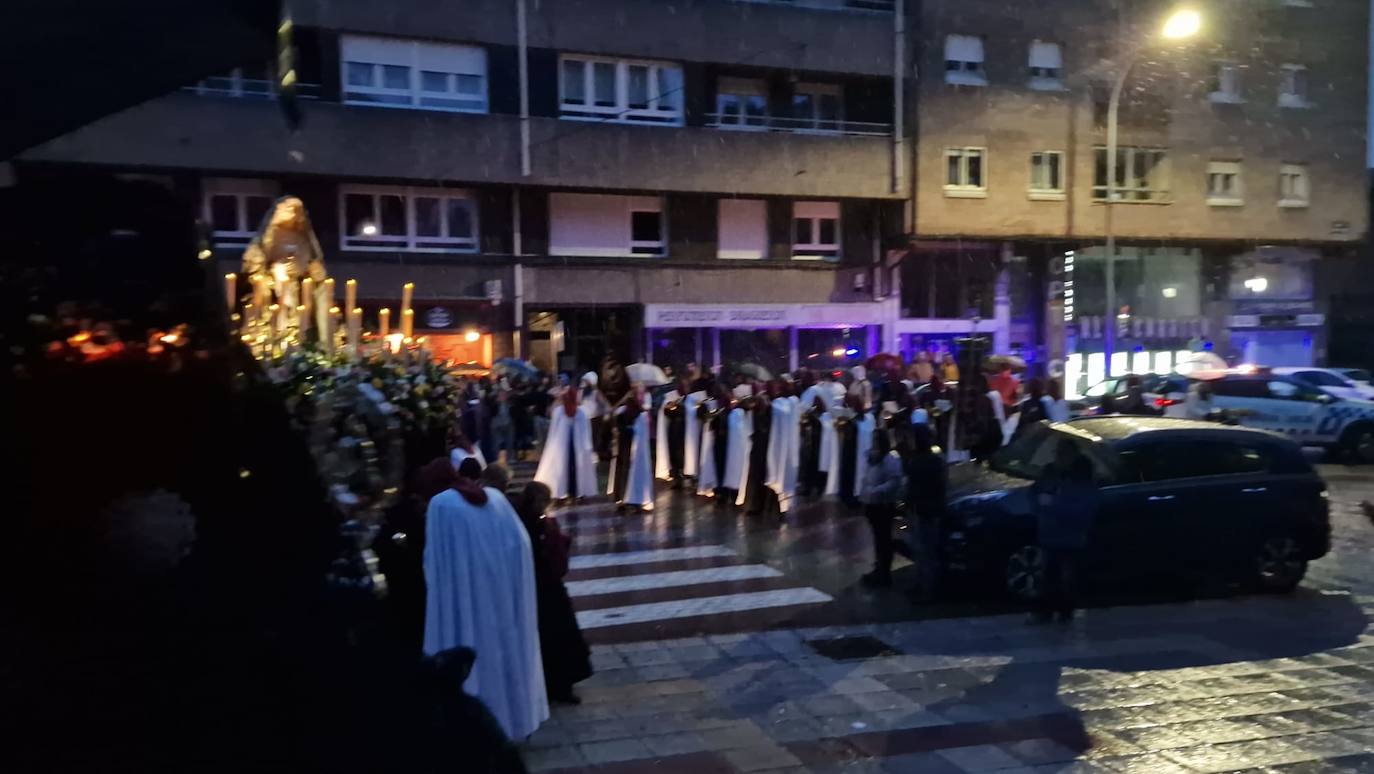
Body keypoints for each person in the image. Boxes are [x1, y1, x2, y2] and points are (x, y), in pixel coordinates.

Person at [423, 457, 548, 740]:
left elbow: (435, 563)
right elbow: (520, 544)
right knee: (505, 659)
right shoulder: (494, 498)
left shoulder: (441, 506)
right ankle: (515, 719)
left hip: (468, 600)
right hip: (502, 598)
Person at [513, 482, 593, 705]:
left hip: (540, 588)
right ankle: (558, 685)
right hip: (543, 589)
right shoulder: (534, 525)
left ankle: (552, 684)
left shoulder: (522, 521)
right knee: (556, 637)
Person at [1031, 446, 1099, 623]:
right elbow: (1035, 492)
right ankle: (1047, 611)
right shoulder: (1049, 472)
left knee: (1065, 575)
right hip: (1050, 532)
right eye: (1059, 454)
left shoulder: (1082, 478)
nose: (1060, 458)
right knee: (1049, 573)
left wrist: (1054, 503)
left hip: (1070, 535)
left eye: (1064, 454)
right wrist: (1040, 503)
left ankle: (1063, 610)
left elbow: (1083, 507)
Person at [903, 423, 947, 600]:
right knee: (922, 550)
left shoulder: (924, 460)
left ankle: (926, 589)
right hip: (924, 508)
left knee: (925, 550)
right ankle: (921, 584)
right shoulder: (932, 459)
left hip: (925, 510)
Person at [534, 388, 598, 501]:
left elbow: (585, 432)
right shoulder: (559, 412)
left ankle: (577, 492)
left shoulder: (581, 413)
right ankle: (562, 491)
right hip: (561, 447)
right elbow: (554, 432)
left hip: (576, 447)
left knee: (576, 469)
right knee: (561, 469)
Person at [859, 432, 905, 587]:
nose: (874, 443)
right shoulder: (872, 458)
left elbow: (895, 481)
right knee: (878, 538)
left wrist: (876, 490)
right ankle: (879, 567)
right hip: (872, 504)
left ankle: (884, 572)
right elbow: (866, 477)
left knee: (884, 538)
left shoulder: (890, 460)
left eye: (876, 441)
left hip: (884, 505)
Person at [608, 385, 654, 511]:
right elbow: (618, 424)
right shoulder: (624, 411)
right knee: (625, 470)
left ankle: (628, 498)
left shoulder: (638, 412)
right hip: (626, 447)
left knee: (628, 470)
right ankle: (624, 498)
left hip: (632, 448)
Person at [824, 393, 875, 505]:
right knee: (850, 475)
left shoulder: (869, 418)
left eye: (858, 404)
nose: (857, 406)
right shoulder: (849, 418)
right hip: (851, 453)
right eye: (854, 404)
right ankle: (849, 497)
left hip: (863, 454)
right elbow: (843, 432)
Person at [655, 376, 700, 487]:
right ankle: (677, 478)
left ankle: (689, 477)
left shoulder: (691, 399)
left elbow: (694, 412)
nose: (686, 388)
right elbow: (665, 411)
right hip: (675, 430)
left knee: (684, 455)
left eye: (687, 386)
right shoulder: (672, 397)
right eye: (684, 385)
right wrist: (671, 407)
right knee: (675, 455)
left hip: (686, 432)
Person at [488, 389, 517, 464]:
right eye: (501, 395)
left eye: (504, 395)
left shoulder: (509, 403)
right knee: (496, 442)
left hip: (508, 423)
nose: (503, 397)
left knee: (509, 441)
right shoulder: (494, 404)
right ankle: (496, 458)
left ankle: (510, 458)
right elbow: (491, 412)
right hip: (497, 424)